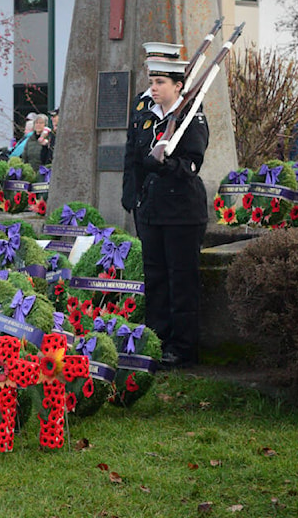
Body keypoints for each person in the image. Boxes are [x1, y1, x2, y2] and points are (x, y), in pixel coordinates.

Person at [131, 52, 208, 369]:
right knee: (156, 279)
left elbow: (192, 162)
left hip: (181, 212)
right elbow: (135, 156)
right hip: (151, 210)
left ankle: (182, 348)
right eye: (152, 81)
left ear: (179, 86)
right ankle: (157, 339)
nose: (154, 88)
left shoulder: (192, 118)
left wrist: (165, 164)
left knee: (181, 281)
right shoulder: (146, 114)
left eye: (161, 82)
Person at [123, 42, 178, 216]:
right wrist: (129, 192)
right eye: (149, 63)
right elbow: (132, 151)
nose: (150, 68)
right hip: (142, 194)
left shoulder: (182, 103)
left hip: (171, 195)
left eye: (156, 62)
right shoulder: (141, 102)